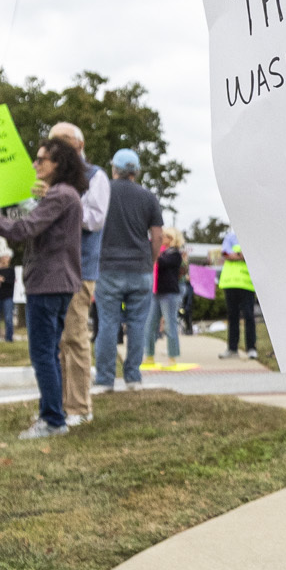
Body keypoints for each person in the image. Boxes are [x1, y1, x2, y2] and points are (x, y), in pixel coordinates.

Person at [0, 138, 91, 439]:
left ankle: (53, 420)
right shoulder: (65, 194)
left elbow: (24, 229)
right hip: (58, 283)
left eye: (41, 159)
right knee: (50, 353)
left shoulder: (59, 195)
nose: (34, 164)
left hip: (48, 283)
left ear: (59, 164)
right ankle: (51, 414)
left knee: (42, 354)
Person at [43, 121, 105, 427]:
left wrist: (62, 201)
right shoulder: (51, 179)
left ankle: (80, 406)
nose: (57, 149)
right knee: (56, 340)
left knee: (75, 336)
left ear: (79, 145)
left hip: (80, 269)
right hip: (52, 268)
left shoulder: (95, 177)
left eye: (62, 143)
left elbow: (94, 219)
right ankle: (60, 405)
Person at [91, 148, 165, 394]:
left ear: (114, 169)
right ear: (137, 171)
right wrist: (150, 261)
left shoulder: (104, 192)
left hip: (108, 268)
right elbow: (157, 235)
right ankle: (133, 377)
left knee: (108, 324)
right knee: (137, 325)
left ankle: (104, 380)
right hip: (140, 269)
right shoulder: (148, 197)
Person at [217, 232, 258, 358]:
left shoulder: (252, 236)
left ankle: (251, 348)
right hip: (230, 283)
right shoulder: (230, 236)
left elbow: (252, 254)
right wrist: (241, 255)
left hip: (247, 284)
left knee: (249, 316)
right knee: (232, 316)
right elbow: (225, 254)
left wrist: (236, 255)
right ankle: (232, 349)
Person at [151, 227, 187, 362]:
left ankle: (173, 356)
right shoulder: (161, 253)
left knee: (170, 325)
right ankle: (149, 355)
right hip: (156, 292)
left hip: (169, 293)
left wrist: (155, 253)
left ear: (172, 239)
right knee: (150, 325)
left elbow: (162, 263)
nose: (162, 238)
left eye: (165, 236)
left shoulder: (175, 254)